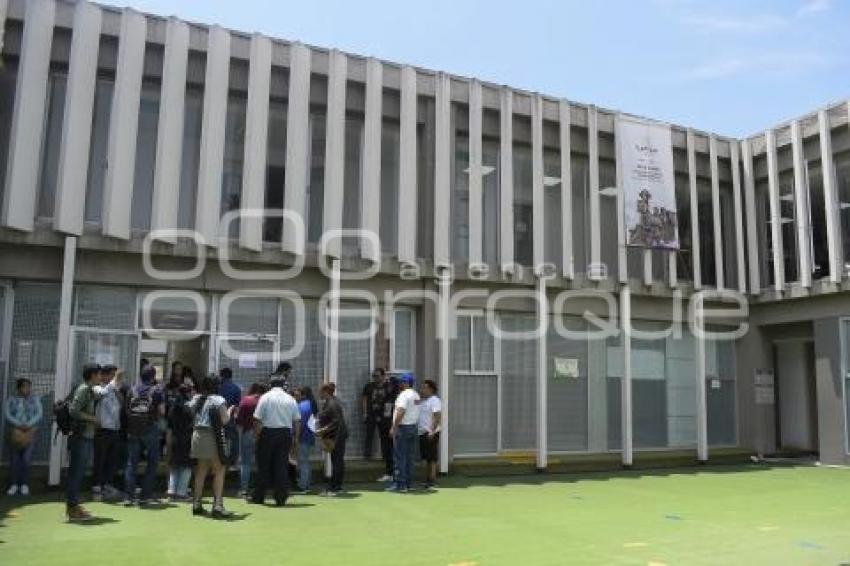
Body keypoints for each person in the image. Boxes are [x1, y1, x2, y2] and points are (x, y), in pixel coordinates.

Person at [251, 375, 300, 506]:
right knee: (281, 465)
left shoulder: (265, 397)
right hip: (285, 433)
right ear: (283, 385)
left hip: (268, 432)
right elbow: (296, 421)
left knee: (263, 466)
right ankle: (281, 497)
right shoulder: (290, 399)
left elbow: (257, 419)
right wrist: (295, 439)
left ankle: (259, 496)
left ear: (270, 384)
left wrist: (258, 436)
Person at [189, 375, 232, 518]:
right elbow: (225, 420)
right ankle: (218, 505)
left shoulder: (196, 399)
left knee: (201, 470)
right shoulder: (218, 400)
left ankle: (197, 503)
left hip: (197, 435)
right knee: (219, 469)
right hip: (212, 435)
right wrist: (231, 411)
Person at [124, 366, 165, 506]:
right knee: (152, 462)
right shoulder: (156, 391)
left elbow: (126, 409)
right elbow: (162, 411)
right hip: (150, 428)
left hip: (133, 429)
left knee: (131, 462)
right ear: (153, 377)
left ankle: (129, 497)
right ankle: (145, 495)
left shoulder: (132, 389)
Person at [66, 364, 102, 521]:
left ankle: (74, 505)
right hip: (80, 437)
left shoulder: (89, 390)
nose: (100, 377)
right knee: (76, 473)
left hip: (85, 436)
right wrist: (92, 419)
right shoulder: (83, 389)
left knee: (78, 473)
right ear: (93, 375)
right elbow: (73, 410)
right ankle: (72, 509)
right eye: (99, 374)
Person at [4, 377, 43, 496]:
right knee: (15, 460)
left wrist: (29, 424)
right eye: (24, 386)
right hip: (15, 432)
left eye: (28, 386)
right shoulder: (11, 399)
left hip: (30, 432)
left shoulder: (35, 399)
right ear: (19, 388)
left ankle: (24, 484)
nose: (27, 389)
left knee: (26, 460)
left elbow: (39, 413)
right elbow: (7, 414)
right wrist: (18, 424)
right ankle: (14, 484)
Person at [92, 365, 125, 501]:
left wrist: (116, 388)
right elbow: (101, 394)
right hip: (102, 430)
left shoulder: (114, 389)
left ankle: (108, 485)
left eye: (114, 375)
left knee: (112, 460)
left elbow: (122, 402)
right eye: (111, 375)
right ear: (104, 376)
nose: (114, 378)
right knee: (100, 459)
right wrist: (114, 382)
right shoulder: (98, 388)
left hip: (114, 430)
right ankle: (97, 487)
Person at [386, 373, 420, 493]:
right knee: (409, 457)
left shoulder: (403, 395)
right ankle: (409, 483)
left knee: (400, 457)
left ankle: (400, 484)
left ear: (406, 383)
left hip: (403, 427)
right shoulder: (416, 395)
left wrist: (394, 427)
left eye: (402, 382)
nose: (400, 384)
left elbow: (400, 411)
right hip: (413, 427)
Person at [362, 368, 394, 482]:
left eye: (377, 376)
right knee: (369, 434)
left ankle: (385, 456)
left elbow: (391, 400)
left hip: (384, 416)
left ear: (383, 376)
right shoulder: (369, 386)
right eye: (374, 376)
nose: (375, 378)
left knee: (384, 437)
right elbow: (365, 400)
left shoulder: (388, 387)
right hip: (371, 414)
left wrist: (389, 415)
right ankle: (367, 455)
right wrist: (365, 413)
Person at [316, 383, 348, 497]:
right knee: (337, 461)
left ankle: (334, 488)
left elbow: (336, 421)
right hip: (336, 435)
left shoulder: (332, 404)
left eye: (320, 391)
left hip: (337, 436)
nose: (319, 393)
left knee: (337, 461)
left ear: (326, 391)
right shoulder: (332, 402)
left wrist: (322, 430)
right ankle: (337, 486)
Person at [166, 380, 195, 502]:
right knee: (186, 466)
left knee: (175, 465)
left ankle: (172, 491)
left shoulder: (173, 406)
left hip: (175, 439)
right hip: (187, 439)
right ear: (188, 393)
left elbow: (169, 426)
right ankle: (181, 492)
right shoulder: (189, 407)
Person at [236, 382, 266, 498]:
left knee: (245, 462)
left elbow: (239, 421)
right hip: (263, 433)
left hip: (247, 433)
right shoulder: (265, 400)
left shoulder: (245, 400)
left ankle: (244, 489)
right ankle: (260, 488)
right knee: (262, 462)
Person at [418, 379, 442, 489]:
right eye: (422, 388)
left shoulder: (434, 400)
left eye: (424, 388)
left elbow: (437, 416)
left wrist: (432, 431)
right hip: (421, 433)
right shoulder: (422, 401)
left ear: (431, 389)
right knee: (425, 457)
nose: (422, 390)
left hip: (431, 432)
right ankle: (426, 479)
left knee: (432, 457)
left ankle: (432, 480)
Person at [294, 386, 318, 493]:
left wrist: (296, 437)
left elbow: (300, 424)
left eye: (297, 394)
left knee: (303, 461)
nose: (295, 396)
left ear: (303, 395)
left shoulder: (302, 406)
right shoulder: (310, 405)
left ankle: (303, 485)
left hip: (303, 437)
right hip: (309, 436)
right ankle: (306, 483)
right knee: (306, 461)